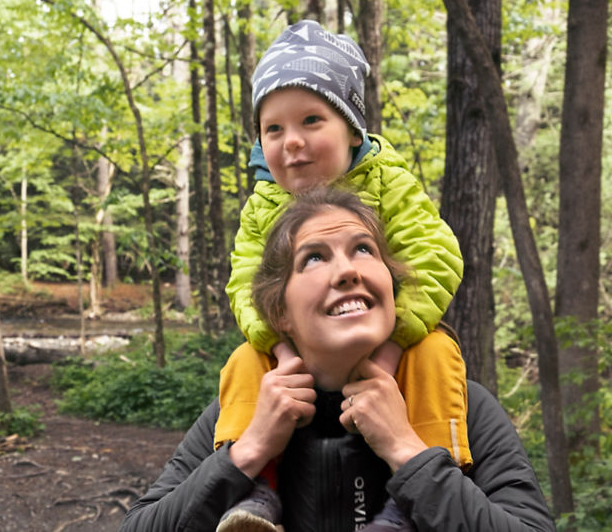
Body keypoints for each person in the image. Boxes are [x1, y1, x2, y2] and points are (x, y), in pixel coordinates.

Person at [118, 188, 556, 532]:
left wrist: (407, 452)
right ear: (280, 313)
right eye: (314, 258)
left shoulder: (463, 408)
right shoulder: (244, 412)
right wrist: (248, 452)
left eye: (364, 249)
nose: (348, 271)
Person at [220, 19, 466, 530]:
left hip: (390, 339)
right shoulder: (263, 205)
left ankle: (420, 484)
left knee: (437, 352)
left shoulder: (386, 181)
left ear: (353, 129)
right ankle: (255, 486)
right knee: (244, 360)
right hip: (299, 351)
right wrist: (279, 349)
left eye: (311, 120)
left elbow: (434, 257)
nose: (291, 142)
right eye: (273, 129)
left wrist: (392, 348)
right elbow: (245, 283)